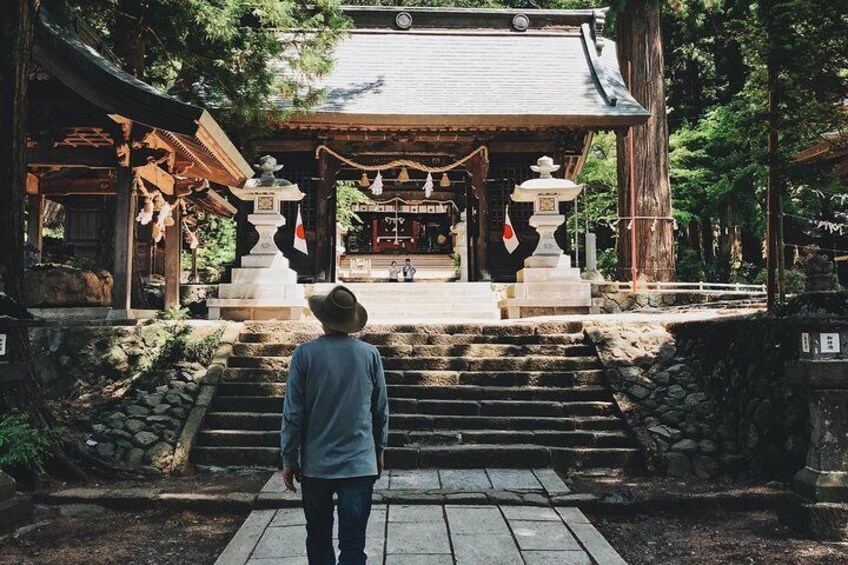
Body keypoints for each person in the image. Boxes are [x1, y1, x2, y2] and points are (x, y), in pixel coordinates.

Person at [280, 285, 389, 565]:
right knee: (353, 544)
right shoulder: (369, 354)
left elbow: (293, 412)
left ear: (322, 318)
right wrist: (379, 451)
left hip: (317, 463)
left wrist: (289, 457)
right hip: (359, 462)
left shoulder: (304, 355)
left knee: (318, 536)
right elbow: (380, 410)